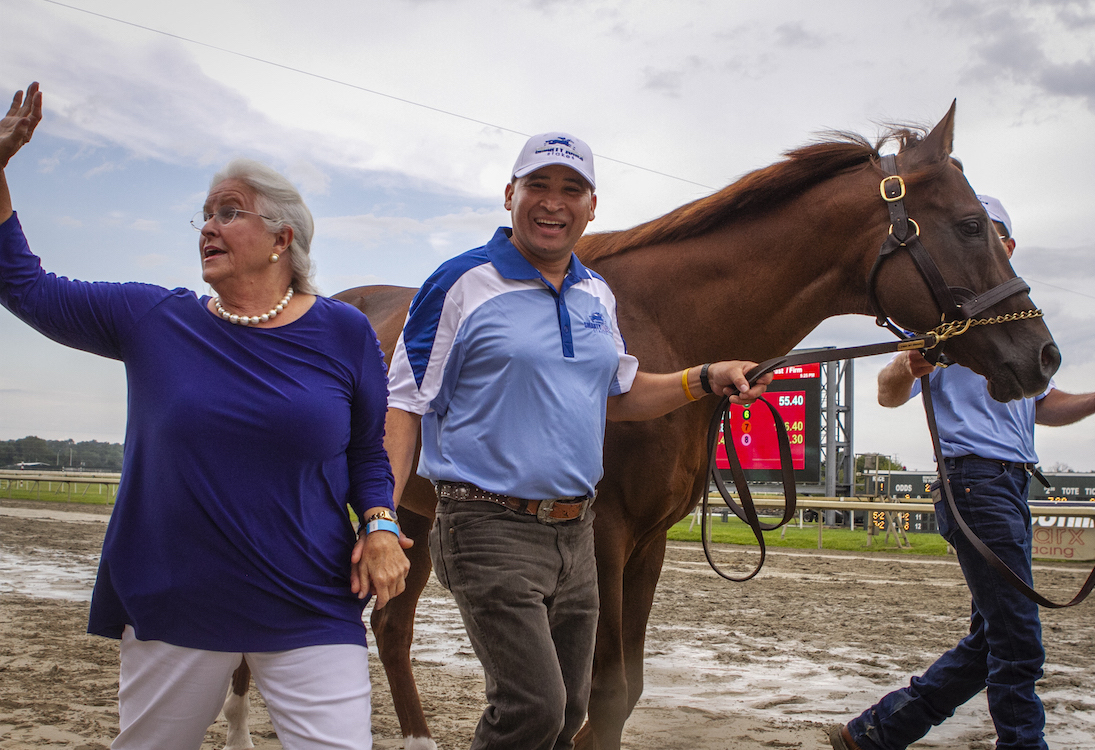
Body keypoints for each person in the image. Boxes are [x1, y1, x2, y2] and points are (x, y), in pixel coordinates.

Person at [0, 83, 412, 750]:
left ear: (283, 238)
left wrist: (383, 525)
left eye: (229, 212)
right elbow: (22, 284)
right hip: (175, 605)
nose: (209, 227)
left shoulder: (343, 333)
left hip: (310, 601)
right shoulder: (153, 320)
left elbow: (366, 451)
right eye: (205, 215)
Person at [384, 132, 772, 750]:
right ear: (510, 194)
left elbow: (619, 395)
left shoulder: (596, 294)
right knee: (532, 709)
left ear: (592, 207)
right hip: (487, 526)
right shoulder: (460, 283)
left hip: (575, 534)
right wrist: (381, 518)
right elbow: (404, 401)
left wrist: (706, 378)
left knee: (568, 713)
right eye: (537, 185)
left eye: (572, 189)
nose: (552, 203)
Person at [830, 194, 1095, 750]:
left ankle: (878, 732)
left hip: (1010, 483)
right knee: (1019, 640)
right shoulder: (947, 322)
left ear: (1008, 246)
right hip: (973, 481)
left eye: (992, 234)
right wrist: (905, 362)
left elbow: (1041, 404)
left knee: (995, 637)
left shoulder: (1010, 328)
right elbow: (888, 393)